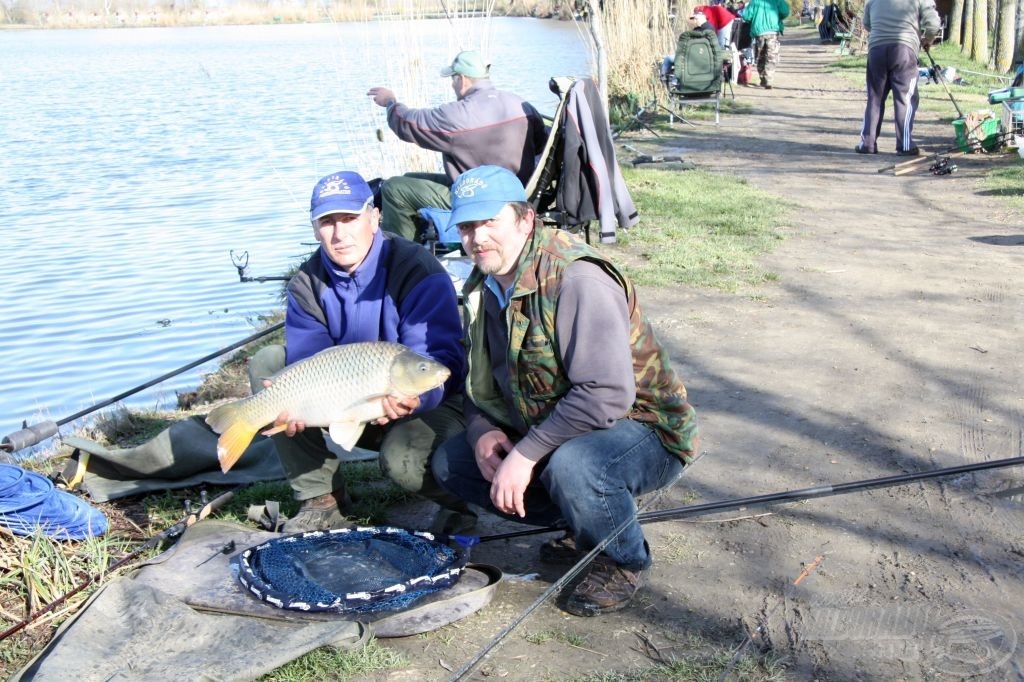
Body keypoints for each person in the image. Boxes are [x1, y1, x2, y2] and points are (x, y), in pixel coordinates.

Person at [430, 166, 700, 617]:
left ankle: (622, 560)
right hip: (558, 423)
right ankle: (581, 522)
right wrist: (479, 431)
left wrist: (525, 454)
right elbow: (477, 382)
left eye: (488, 222)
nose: (476, 238)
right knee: (452, 463)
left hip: (644, 428)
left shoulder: (576, 279)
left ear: (525, 219)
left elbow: (607, 394)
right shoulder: (483, 285)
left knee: (575, 466)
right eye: (466, 226)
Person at [247, 170, 473, 534]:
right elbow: (309, 363)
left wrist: (418, 400)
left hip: (422, 404)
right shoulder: (307, 283)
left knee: (404, 461)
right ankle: (320, 497)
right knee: (269, 363)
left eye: (349, 219)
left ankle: (462, 502)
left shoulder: (416, 269)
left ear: (374, 216)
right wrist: (297, 408)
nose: (339, 234)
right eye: (327, 222)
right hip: (344, 401)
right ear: (314, 228)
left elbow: (437, 363)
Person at [366, 51, 547, 242]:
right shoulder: (521, 104)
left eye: (452, 79)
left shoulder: (458, 115)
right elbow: (540, 145)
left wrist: (390, 102)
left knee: (394, 188)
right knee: (408, 178)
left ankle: (400, 257)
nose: (453, 85)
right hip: (516, 191)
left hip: (480, 197)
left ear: (461, 79)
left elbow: (407, 123)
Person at [856, 0, 940, 155]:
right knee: (905, 99)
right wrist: (927, 39)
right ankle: (905, 145)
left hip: (876, 50)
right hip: (904, 50)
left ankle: (867, 143)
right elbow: (933, 24)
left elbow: (867, 24)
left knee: (875, 98)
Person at [741, 0, 789, 88]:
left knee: (760, 56)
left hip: (759, 32)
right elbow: (785, 11)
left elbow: (746, 16)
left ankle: (763, 79)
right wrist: (777, 16)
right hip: (773, 31)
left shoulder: (754, 2)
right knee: (771, 56)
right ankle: (769, 79)